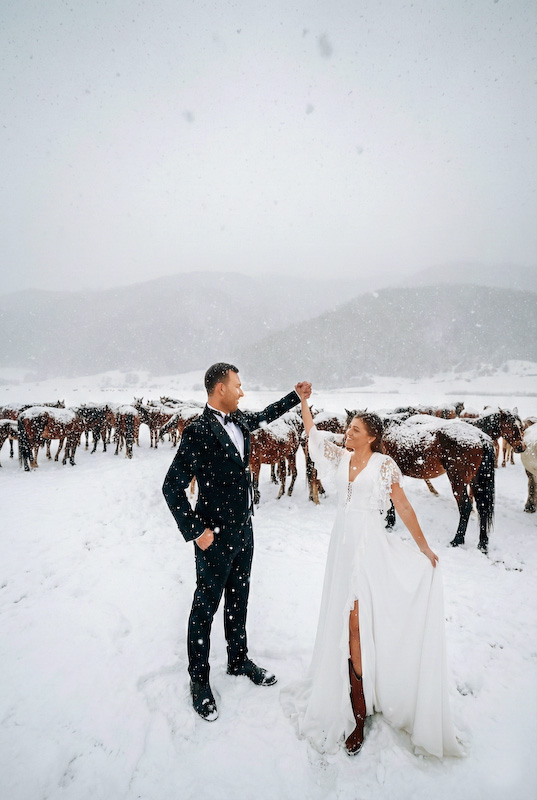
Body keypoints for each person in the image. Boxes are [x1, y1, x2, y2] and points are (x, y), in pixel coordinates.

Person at [281, 398, 463, 758]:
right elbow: (313, 436)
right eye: (349, 428)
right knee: (344, 620)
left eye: (355, 430)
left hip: (369, 548)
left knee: (356, 625)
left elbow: (403, 506)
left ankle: (359, 710)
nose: (348, 433)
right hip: (341, 546)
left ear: (372, 437)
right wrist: (303, 402)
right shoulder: (342, 457)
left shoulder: (384, 466)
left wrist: (424, 547)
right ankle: (351, 694)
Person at [162, 362, 311, 721]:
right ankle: (199, 681)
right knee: (205, 608)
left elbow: (265, 415)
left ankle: (238, 660)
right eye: (237, 386)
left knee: (239, 598)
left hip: (244, 530)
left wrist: (295, 397)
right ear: (220, 389)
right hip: (213, 537)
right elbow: (171, 487)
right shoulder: (198, 432)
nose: (242, 392)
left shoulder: (240, 420)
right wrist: (196, 532)